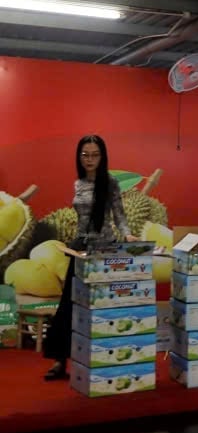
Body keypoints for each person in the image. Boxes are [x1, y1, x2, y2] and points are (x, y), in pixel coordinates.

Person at [44, 135, 136, 381]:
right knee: (69, 304)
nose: (90, 159)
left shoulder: (111, 183)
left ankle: (106, 358)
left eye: (95, 155)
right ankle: (59, 360)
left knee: (102, 304)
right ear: (79, 156)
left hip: (104, 250)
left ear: (102, 157)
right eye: (85, 154)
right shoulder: (79, 183)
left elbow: (119, 215)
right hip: (81, 248)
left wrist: (127, 234)